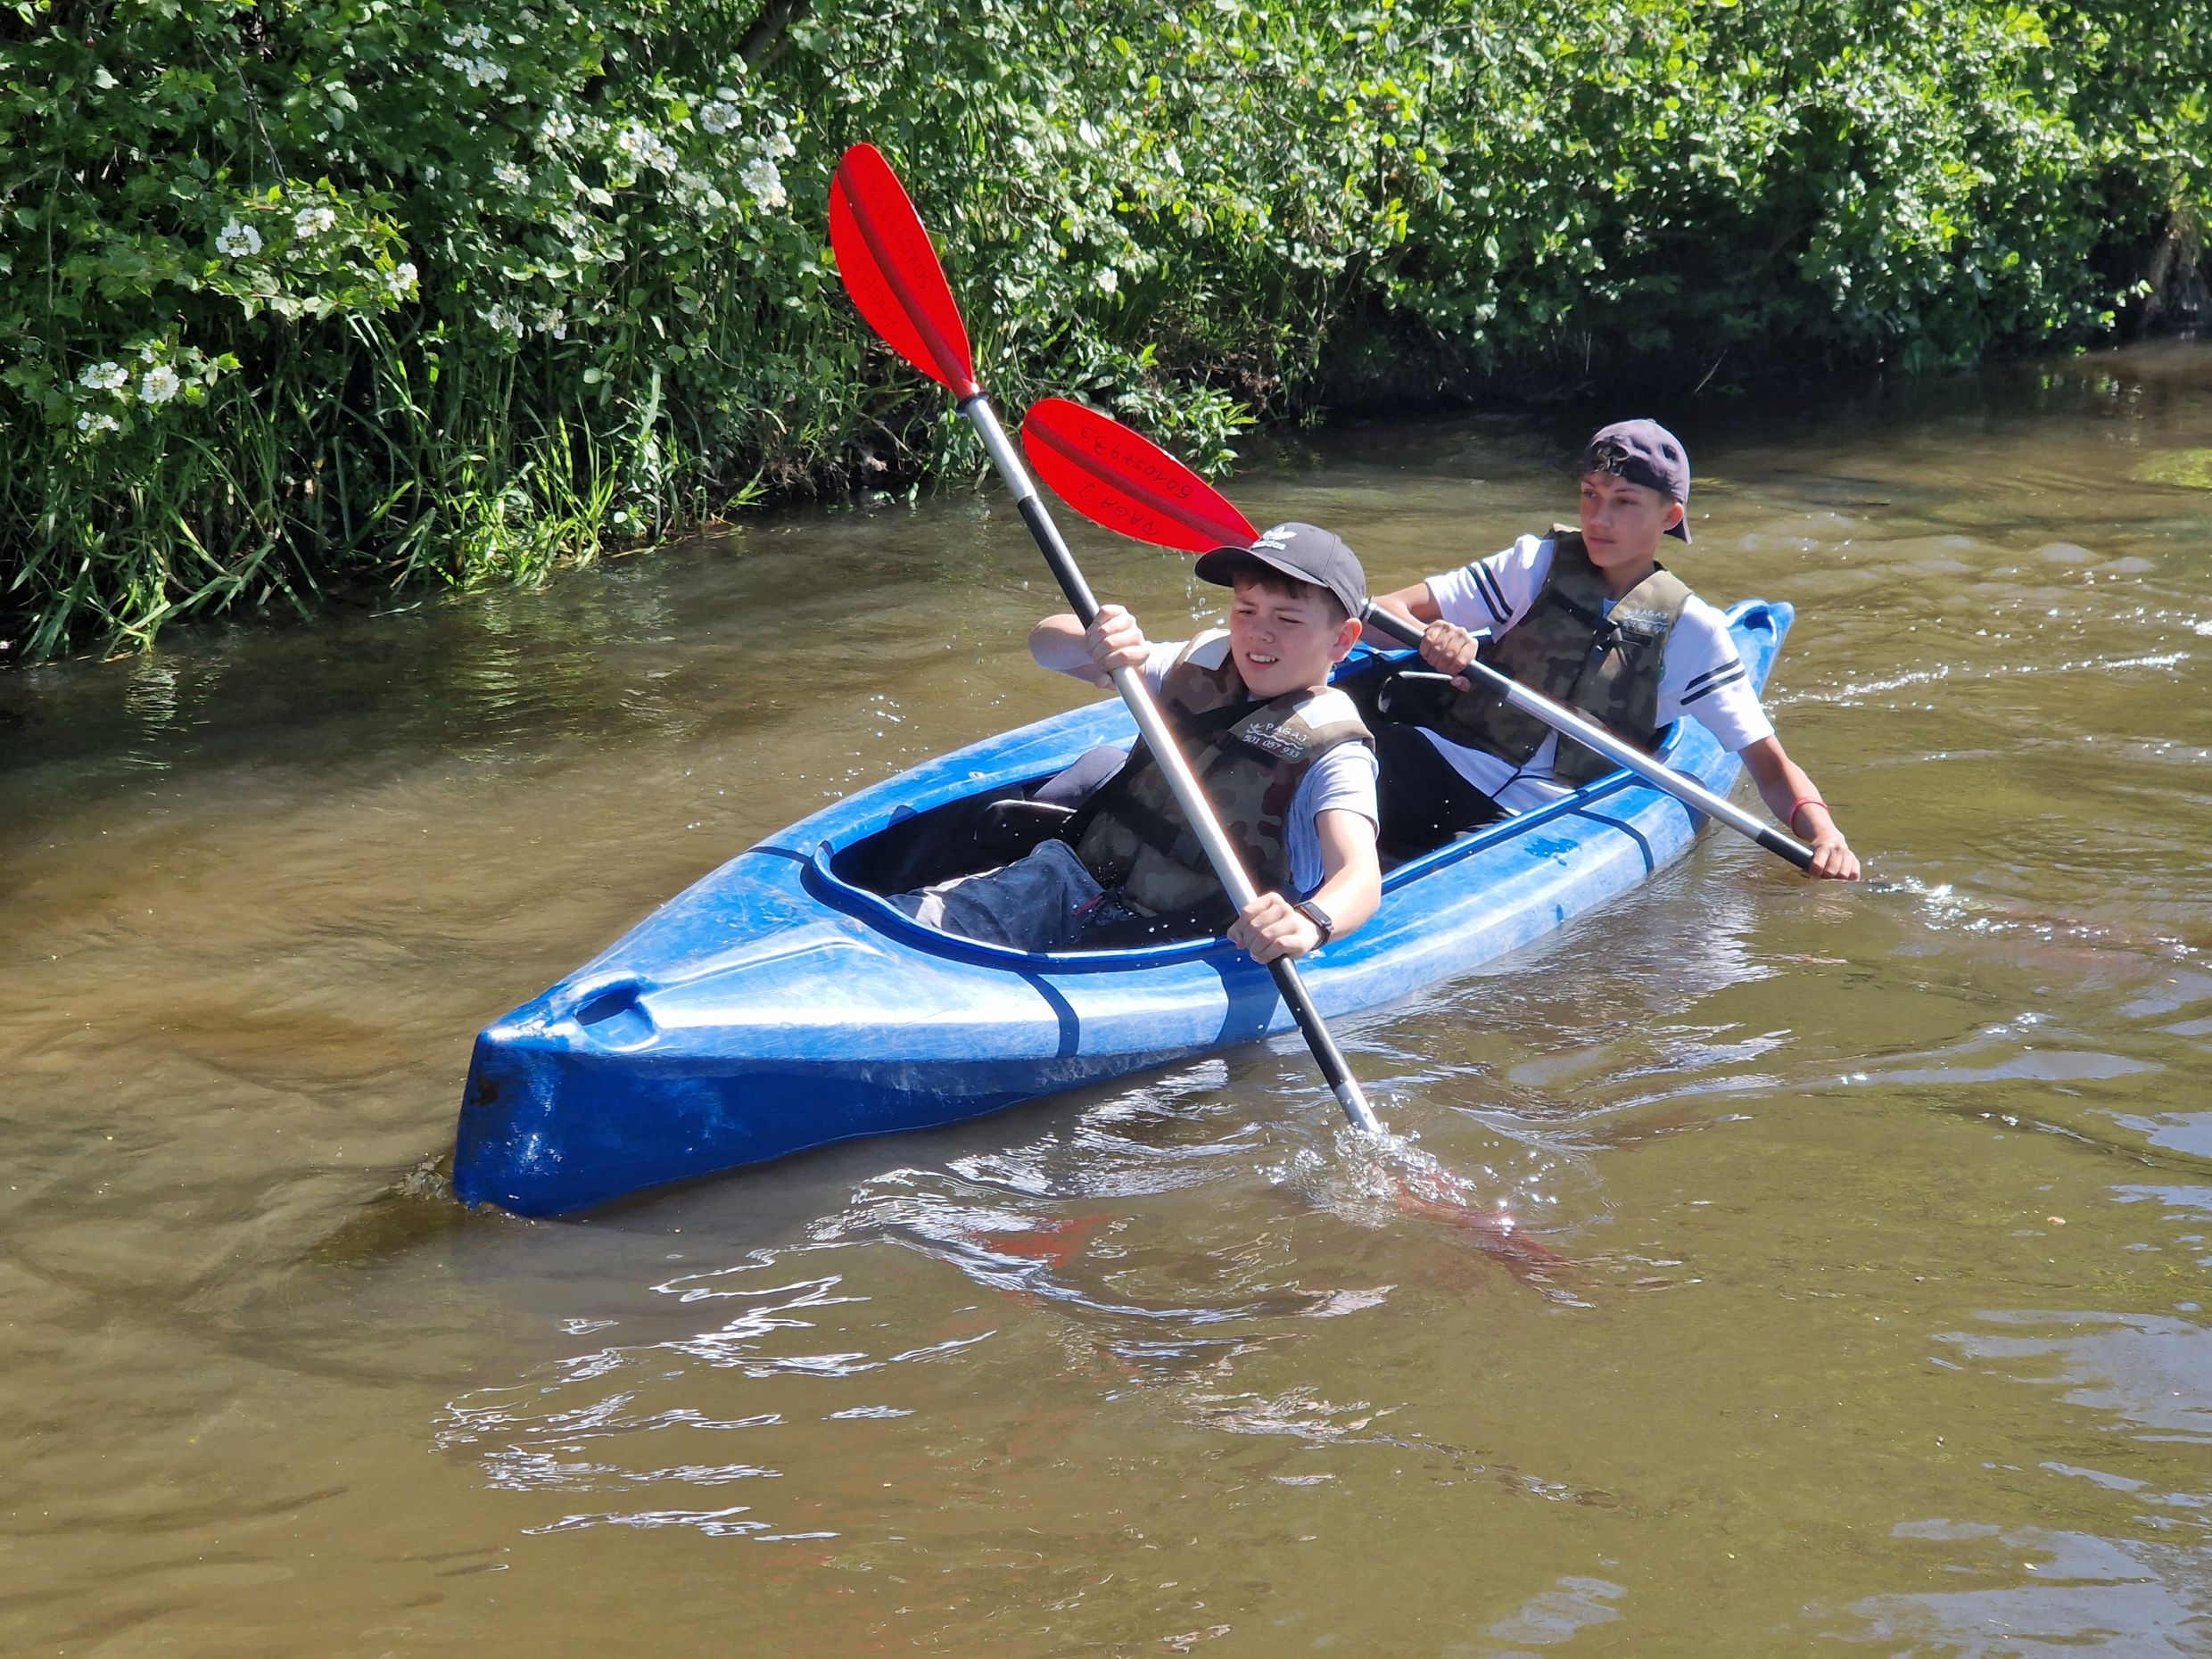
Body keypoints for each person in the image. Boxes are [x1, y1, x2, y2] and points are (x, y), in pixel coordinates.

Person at [1366, 418, 1861, 879]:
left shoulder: (1693, 631)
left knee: (1465, 857)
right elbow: (1380, 614)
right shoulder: (1531, 565)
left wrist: (1826, 834)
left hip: (1547, 814)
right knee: (1362, 750)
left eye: (1624, 502)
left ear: (1670, 516)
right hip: (1452, 760)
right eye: (1590, 494)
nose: (1599, 519)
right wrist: (1434, 635)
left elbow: (1770, 766)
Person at [891, 523, 1384, 958]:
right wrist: (1094, 637)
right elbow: (1045, 645)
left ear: (1342, 639)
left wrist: (1310, 924)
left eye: (1287, 619)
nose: (1258, 633)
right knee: (915, 925)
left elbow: (1359, 877)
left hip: (1194, 934)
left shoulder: (1337, 755)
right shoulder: (1190, 666)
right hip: (1072, 880)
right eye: (1246, 610)